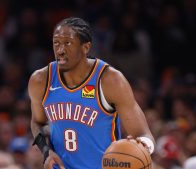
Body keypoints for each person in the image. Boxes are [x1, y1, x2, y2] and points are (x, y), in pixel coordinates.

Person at [28, 17, 155, 169]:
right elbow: (38, 122)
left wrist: (142, 146)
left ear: (86, 47)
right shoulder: (41, 80)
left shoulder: (110, 80)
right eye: (56, 43)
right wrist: (46, 152)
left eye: (68, 43)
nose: (60, 50)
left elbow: (143, 134)